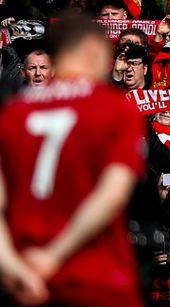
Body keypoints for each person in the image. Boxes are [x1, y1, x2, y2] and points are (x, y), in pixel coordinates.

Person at [0, 16, 143, 305]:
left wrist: (12, 267)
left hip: (27, 284)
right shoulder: (113, 107)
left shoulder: (13, 114)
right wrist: (54, 255)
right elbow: (112, 194)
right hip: (97, 279)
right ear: (93, 49)